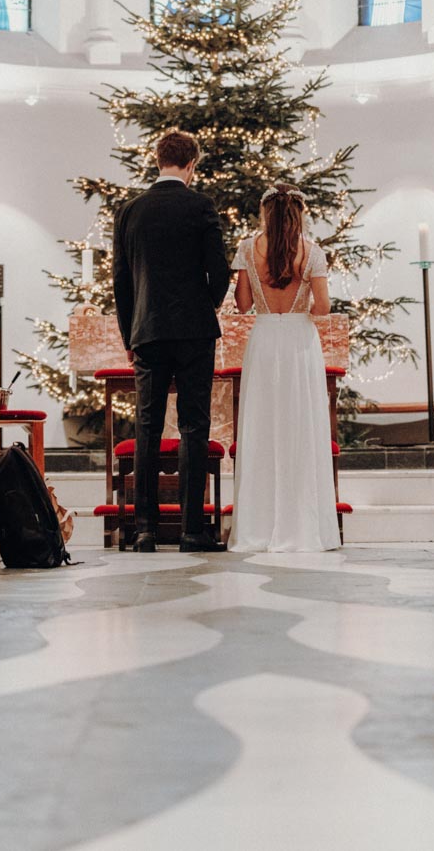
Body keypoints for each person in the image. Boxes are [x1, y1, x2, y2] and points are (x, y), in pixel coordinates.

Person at [112, 128, 230, 552]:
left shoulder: (130, 211)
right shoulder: (200, 206)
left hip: (147, 329)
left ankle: (143, 529)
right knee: (193, 427)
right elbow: (219, 273)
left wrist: (130, 333)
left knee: (146, 425)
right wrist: (205, 306)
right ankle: (191, 530)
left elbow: (121, 283)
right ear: (192, 164)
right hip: (195, 331)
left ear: (158, 160)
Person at [228, 184, 340, 553]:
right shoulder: (312, 252)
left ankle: (257, 527)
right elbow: (322, 308)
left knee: (262, 430)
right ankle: (302, 526)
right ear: (298, 214)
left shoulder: (247, 248)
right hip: (298, 342)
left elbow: (242, 304)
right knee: (300, 430)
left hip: (263, 341)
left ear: (265, 213)